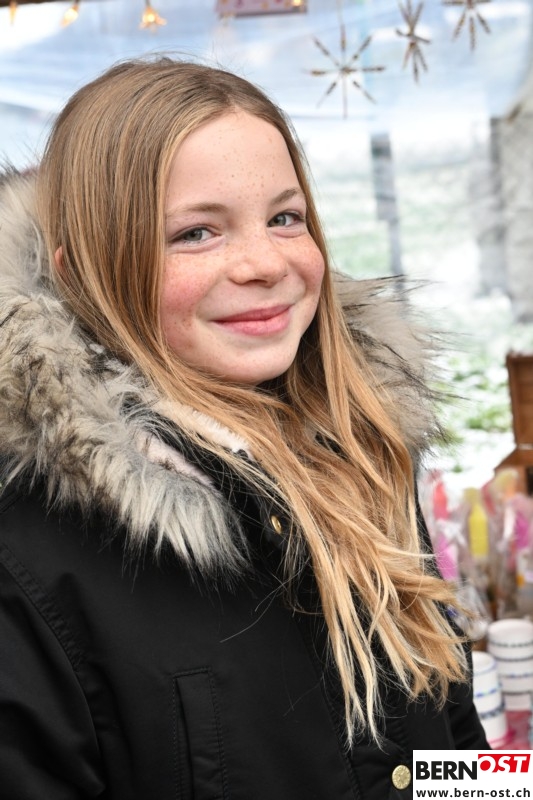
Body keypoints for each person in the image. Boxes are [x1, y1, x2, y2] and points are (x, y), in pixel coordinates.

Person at [0, 57, 488, 800]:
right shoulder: (30, 555)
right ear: (81, 274)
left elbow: (448, 737)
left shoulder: (358, 450)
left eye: (285, 218)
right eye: (196, 232)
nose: (265, 263)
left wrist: (508, 786)